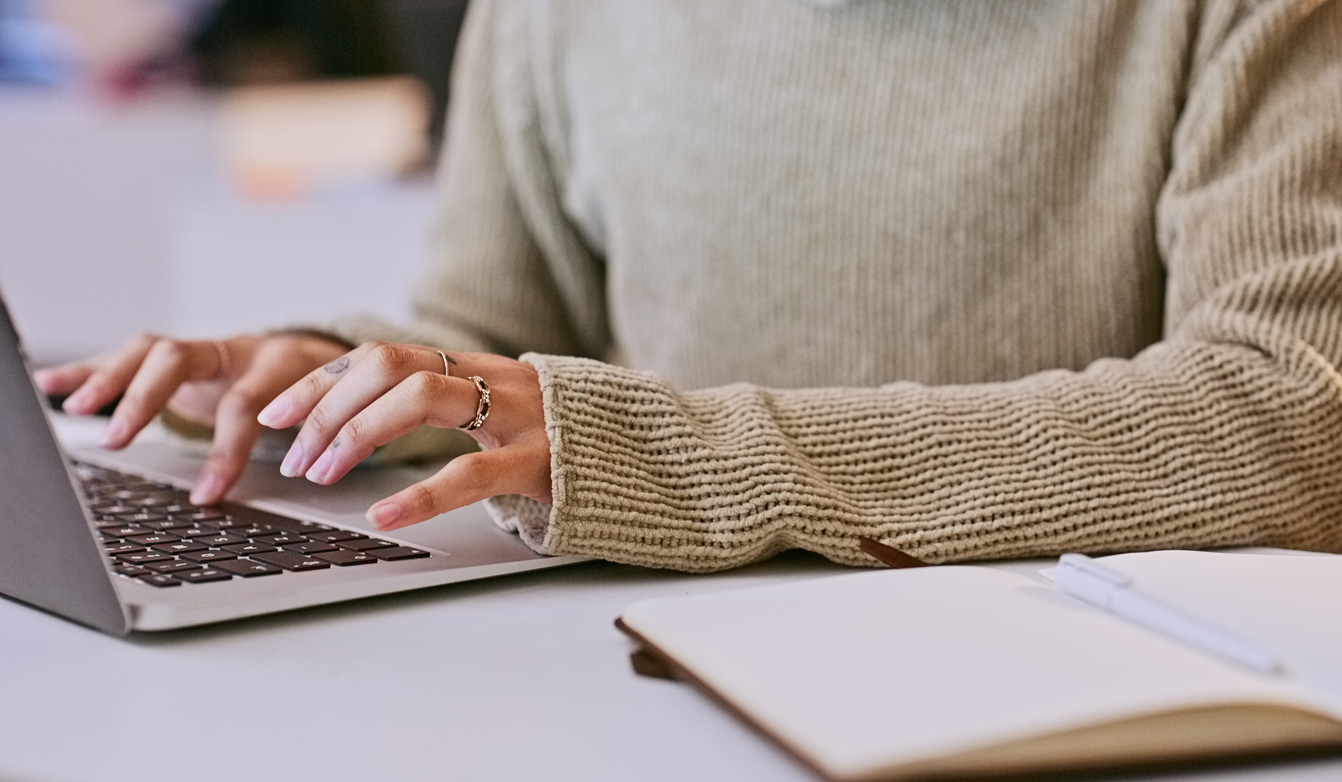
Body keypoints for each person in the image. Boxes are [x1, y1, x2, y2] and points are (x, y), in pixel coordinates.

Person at [38, 0, 1342, 572]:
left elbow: (1291, 419)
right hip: (636, 668)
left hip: (1054, 692)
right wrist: (328, 371)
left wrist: (669, 456)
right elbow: (501, 340)